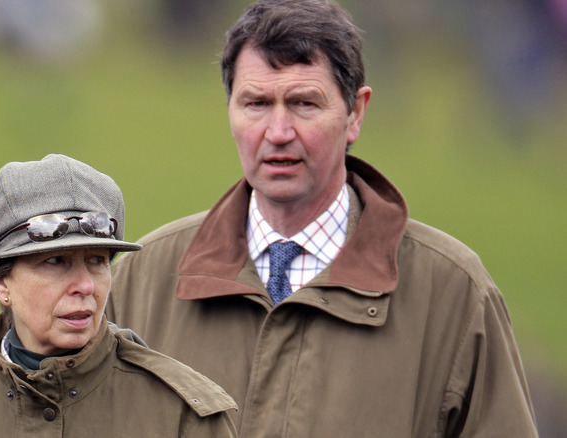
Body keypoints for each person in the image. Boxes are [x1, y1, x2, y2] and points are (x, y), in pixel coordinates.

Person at [106, 1, 539, 436]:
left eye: (303, 103)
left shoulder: (453, 293)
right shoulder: (143, 279)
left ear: (356, 114)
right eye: (255, 103)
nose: (277, 132)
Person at [0, 154, 238, 437]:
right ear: (1, 284)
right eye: (55, 261)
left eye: (97, 261)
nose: (85, 285)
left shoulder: (185, 416)